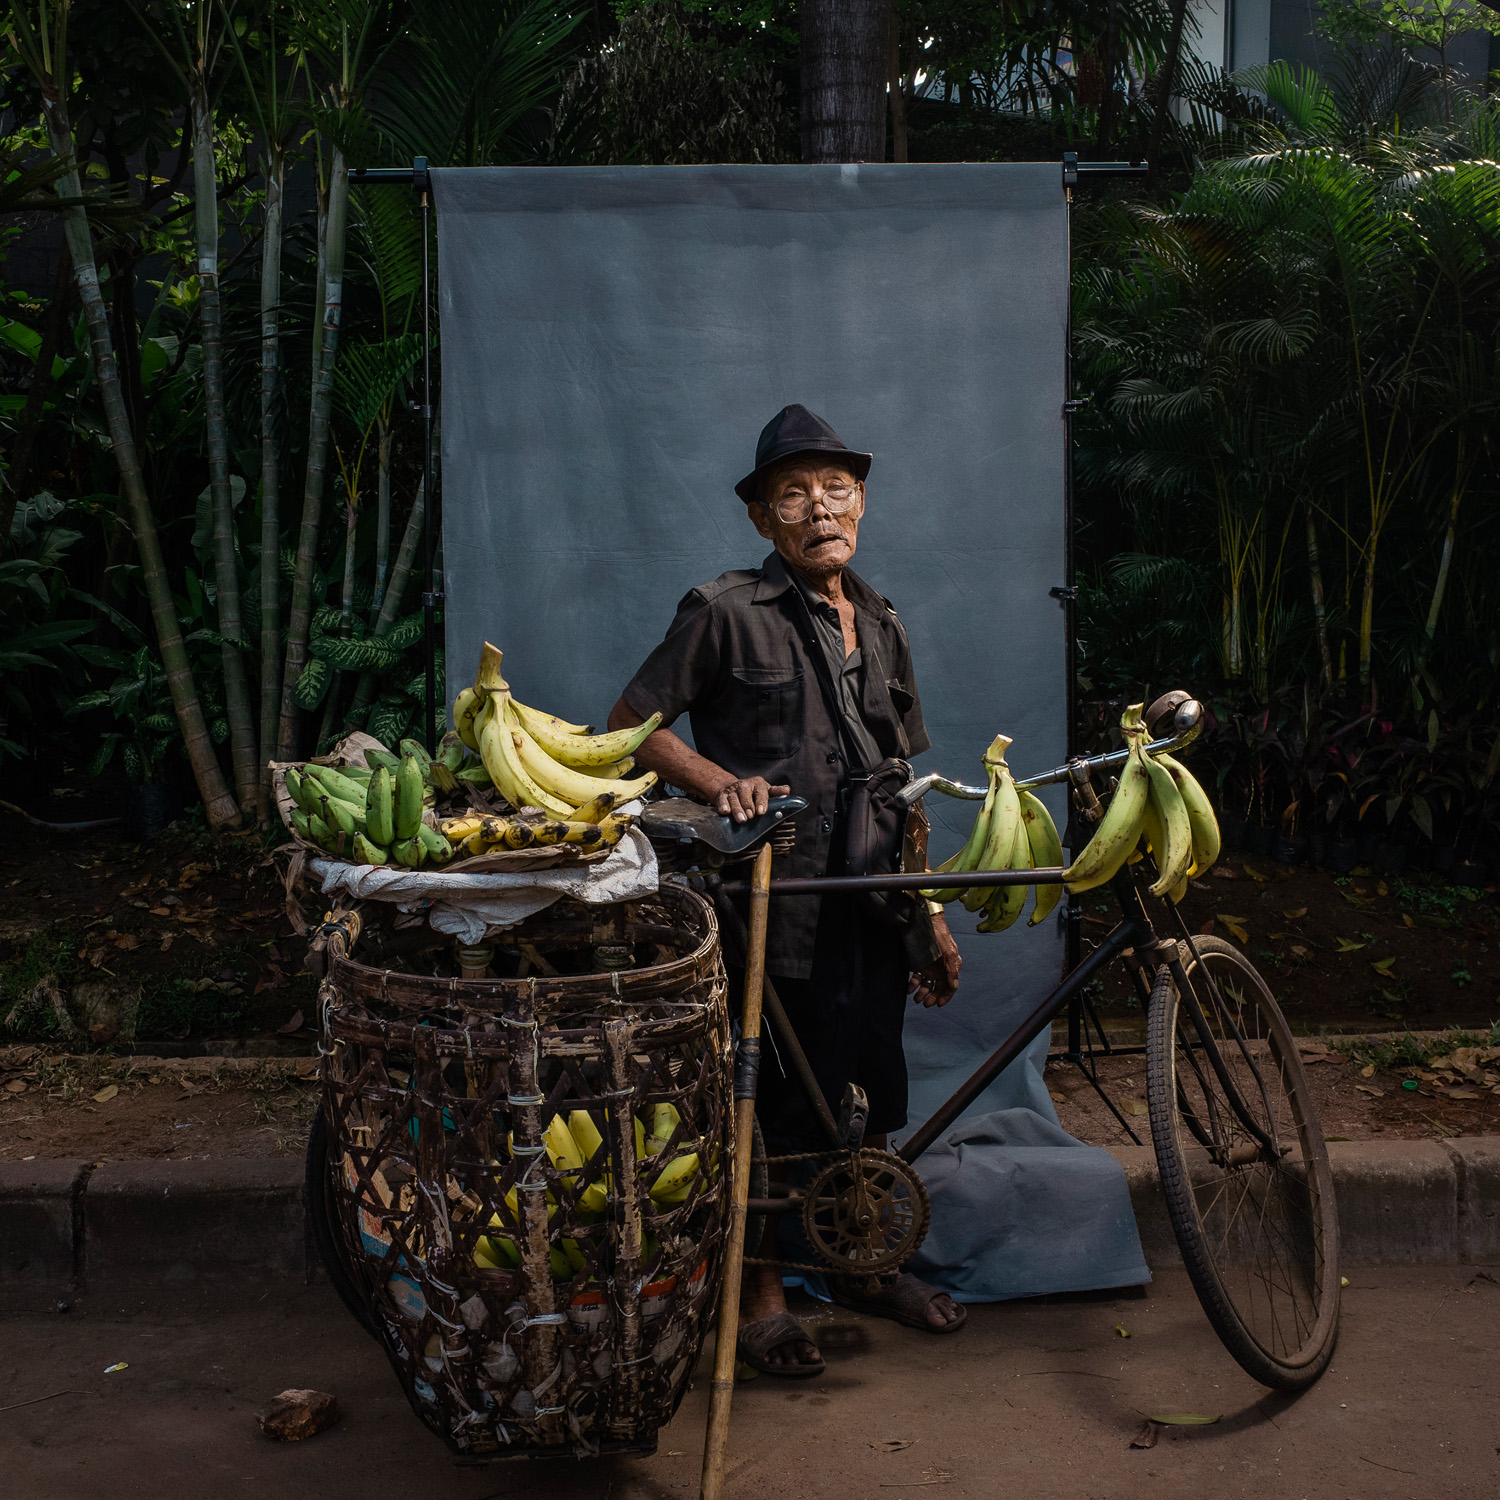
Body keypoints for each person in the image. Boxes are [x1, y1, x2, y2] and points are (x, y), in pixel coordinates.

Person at [607, 404, 966, 1376]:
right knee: (757, 1104)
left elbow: (903, 787)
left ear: (862, 504)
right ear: (764, 519)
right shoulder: (724, 611)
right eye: (794, 493)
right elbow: (630, 726)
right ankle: (762, 1299)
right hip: (764, 901)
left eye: (837, 489)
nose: (821, 508)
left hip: (873, 900)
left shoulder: (883, 623)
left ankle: (862, 1261)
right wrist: (716, 781)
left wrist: (928, 917)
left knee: (870, 1092)